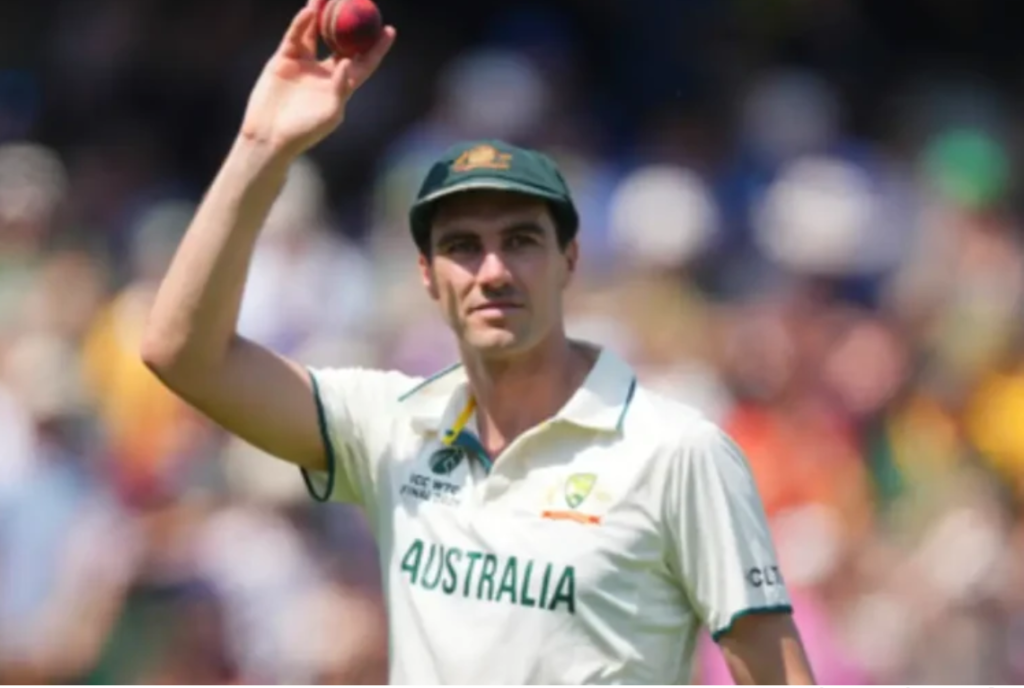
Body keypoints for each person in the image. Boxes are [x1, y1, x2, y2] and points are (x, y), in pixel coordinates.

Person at [141, 1, 816, 683]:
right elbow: (181, 353)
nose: (493, 271)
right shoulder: (391, 426)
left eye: (520, 241)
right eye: (463, 247)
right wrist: (262, 145)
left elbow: (777, 673)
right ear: (427, 275)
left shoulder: (679, 453)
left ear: (569, 259)